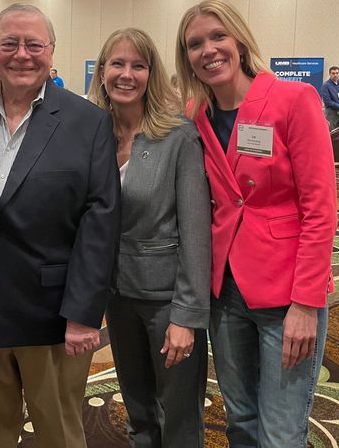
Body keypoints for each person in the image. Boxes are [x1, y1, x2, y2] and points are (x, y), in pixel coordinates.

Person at [0, 3, 120, 448]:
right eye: (10, 43)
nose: (22, 54)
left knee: (58, 434)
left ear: (51, 51)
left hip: (53, 316)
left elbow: (101, 223)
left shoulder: (88, 122)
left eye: (34, 44)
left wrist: (82, 314)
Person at [174, 0, 337, 448]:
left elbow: (320, 209)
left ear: (240, 40)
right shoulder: (197, 115)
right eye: (194, 44)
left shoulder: (292, 99)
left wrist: (306, 303)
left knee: (281, 432)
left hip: (287, 293)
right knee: (241, 420)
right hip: (225, 292)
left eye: (218, 36)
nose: (208, 50)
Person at [88, 28, 211, 448]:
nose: (126, 74)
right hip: (115, 296)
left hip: (166, 301)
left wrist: (187, 316)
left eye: (138, 66)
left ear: (151, 74)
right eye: (117, 64)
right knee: (138, 410)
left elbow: (197, 233)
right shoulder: (92, 135)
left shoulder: (177, 137)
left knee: (179, 415)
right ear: (102, 71)